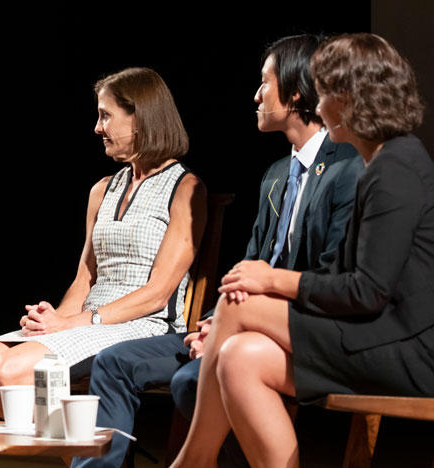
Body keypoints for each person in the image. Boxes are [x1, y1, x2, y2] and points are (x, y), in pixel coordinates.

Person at [72, 34, 363, 468]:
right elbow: (249, 265)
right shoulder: (276, 174)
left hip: (303, 328)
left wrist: (239, 322)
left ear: (295, 92)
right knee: (144, 370)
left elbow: (333, 277)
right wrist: (212, 323)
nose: (256, 95)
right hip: (242, 322)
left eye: (265, 82)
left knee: (200, 378)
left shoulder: (347, 168)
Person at [169, 32, 434, 468]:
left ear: (350, 99)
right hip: (377, 334)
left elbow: (366, 291)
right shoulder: (379, 164)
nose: (318, 105)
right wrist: (260, 290)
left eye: (325, 93)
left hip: (408, 350)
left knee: (237, 304)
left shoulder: (396, 168)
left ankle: (193, 461)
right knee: (238, 357)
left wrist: (271, 279)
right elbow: (337, 273)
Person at [0, 67, 207, 416]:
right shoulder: (102, 190)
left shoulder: (185, 188)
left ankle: (73, 444)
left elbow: (158, 293)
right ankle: (67, 445)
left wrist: (73, 323)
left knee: (10, 372)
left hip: (142, 325)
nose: (98, 128)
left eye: (106, 116)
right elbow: (85, 278)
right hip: (87, 322)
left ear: (140, 118)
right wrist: (53, 319)